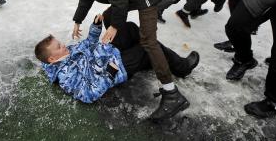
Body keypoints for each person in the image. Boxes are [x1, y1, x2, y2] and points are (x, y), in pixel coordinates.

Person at [65, 0, 190, 122]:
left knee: (148, 41)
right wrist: (77, 20)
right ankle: (134, 54)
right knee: (109, 16)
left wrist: (115, 27)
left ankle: (172, 94)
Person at [35, 14, 199, 104]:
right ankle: (181, 67)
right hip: (115, 67)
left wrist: (95, 28)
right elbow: (87, 94)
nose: (63, 45)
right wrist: (109, 73)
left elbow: (87, 45)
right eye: (58, 47)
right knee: (147, 47)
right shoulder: (65, 76)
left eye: (60, 43)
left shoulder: (65, 53)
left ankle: (149, 61)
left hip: (108, 51)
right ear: (51, 59)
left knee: (130, 28)